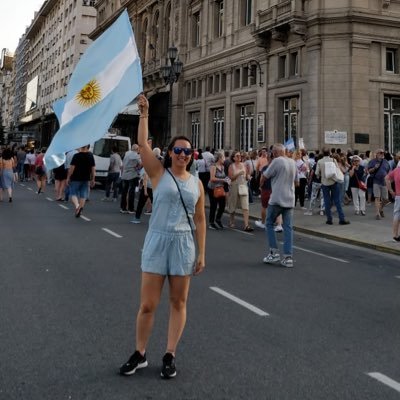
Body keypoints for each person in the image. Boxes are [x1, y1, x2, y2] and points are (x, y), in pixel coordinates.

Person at [119, 94, 206, 380]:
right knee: (148, 304)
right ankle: (140, 353)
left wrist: (202, 253)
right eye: (179, 150)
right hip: (157, 240)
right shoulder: (158, 174)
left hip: (183, 244)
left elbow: (200, 219)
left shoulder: (196, 183)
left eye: (188, 152)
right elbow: (143, 145)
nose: (183, 155)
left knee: (178, 303)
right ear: (169, 153)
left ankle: (170, 354)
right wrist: (144, 114)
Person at [262, 144, 297, 268]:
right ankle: (288, 257)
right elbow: (296, 182)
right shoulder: (292, 162)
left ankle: (274, 252)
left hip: (277, 198)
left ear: (274, 153)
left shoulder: (276, 161)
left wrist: (261, 185)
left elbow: (265, 176)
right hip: (290, 198)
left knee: (269, 223)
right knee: (288, 227)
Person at [315, 148, 350, 225]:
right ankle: (341, 219)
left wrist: (322, 175)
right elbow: (337, 170)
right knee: (337, 201)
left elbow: (317, 173)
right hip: (334, 182)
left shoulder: (320, 161)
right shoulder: (333, 160)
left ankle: (329, 219)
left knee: (327, 202)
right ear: (329, 153)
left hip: (324, 183)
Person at [227, 151, 253, 231]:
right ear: (233, 158)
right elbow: (231, 177)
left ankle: (246, 225)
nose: (239, 157)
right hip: (234, 186)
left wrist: (248, 177)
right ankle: (231, 221)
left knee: (245, 206)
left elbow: (247, 176)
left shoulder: (244, 165)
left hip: (243, 186)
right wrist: (238, 174)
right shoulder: (231, 166)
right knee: (233, 204)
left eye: (240, 156)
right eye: (237, 156)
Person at [66, 145, 96, 217]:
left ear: (81, 147)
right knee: (83, 195)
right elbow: (93, 169)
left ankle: (77, 206)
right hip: (86, 178)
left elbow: (72, 168)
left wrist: (68, 177)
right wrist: (93, 179)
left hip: (75, 178)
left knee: (73, 193)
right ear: (87, 147)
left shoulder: (76, 156)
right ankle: (80, 208)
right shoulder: (90, 156)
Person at [367, 149, 391, 220]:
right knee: (377, 198)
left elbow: (388, 171)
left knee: (386, 199)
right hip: (376, 181)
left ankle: (380, 209)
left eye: (383, 153)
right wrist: (374, 168)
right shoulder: (372, 161)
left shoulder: (386, 162)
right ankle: (377, 214)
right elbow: (369, 170)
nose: (382, 154)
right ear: (376, 154)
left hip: (384, 182)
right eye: (380, 153)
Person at [207, 151, 229, 229]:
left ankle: (218, 219)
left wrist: (227, 180)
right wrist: (223, 180)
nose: (224, 159)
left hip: (220, 188)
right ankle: (211, 222)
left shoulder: (223, 167)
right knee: (214, 205)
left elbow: (224, 177)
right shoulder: (213, 167)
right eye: (223, 157)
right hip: (212, 188)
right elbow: (212, 178)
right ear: (219, 158)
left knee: (222, 205)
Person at [120, 144, 141, 214]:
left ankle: (123, 208)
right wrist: (138, 168)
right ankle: (130, 208)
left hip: (125, 174)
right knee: (131, 192)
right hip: (132, 174)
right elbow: (141, 163)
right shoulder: (136, 155)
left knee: (124, 191)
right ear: (137, 149)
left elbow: (122, 164)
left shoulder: (127, 153)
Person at [385, 154, 400, 242]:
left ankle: (395, 234)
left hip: (398, 196)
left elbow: (386, 178)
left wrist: (391, 191)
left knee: (397, 215)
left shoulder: (396, 170)